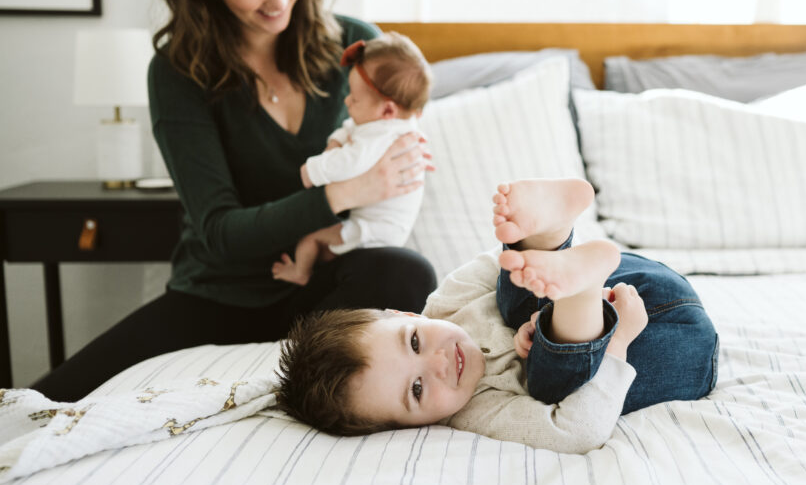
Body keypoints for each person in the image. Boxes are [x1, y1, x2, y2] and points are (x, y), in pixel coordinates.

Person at [31, 0, 436, 402]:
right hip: (220, 294)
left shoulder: (357, 49)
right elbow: (221, 232)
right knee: (42, 403)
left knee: (408, 273)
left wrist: (396, 169)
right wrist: (343, 192)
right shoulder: (179, 73)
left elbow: (398, 157)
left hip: (323, 292)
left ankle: (301, 382)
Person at [277, 178, 719, 454]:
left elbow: (504, 268)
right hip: (675, 348)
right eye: (416, 389)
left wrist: (536, 310)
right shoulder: (477, 412)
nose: (438, 363)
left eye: (413, 340)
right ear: (408, 427)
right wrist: (617, 344)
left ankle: (550, 232)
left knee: (514, 286)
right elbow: (575, 432)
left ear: (402, 312)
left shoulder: (448, 300)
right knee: (548, 384)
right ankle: (575, 294)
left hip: (631, 279)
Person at [272, 32, 433, 286]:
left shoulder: (380, 136)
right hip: (386, 231)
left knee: (310, 240)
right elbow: (349, 128)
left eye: (355, 99)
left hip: (374, 232)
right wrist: (336, 140)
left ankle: (299, 273)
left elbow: (349, 162)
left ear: (387, 109)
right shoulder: (396, 124)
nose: (347, 101)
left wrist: (313, 170)